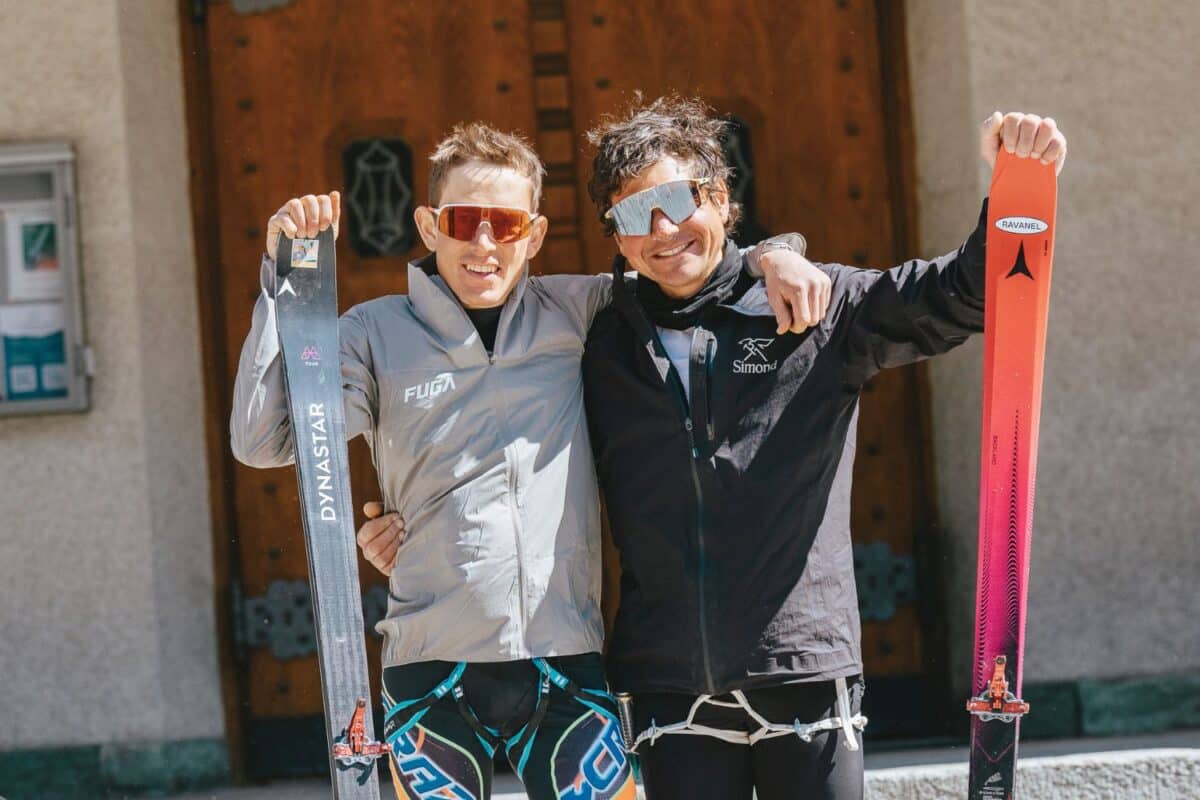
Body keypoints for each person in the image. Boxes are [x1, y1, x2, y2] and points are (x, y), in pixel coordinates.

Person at [230, 121, 828, 800]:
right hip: (431, 667)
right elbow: (265, 441)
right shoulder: (372, 333)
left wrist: (776, 254)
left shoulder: (578, 310)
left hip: (565, 661)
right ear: (429, 226)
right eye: (464, 221)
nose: (484, 244)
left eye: (507, 225)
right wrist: (283, 287)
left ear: (535, 235)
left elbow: (691, 270)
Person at [570, 98, 1066, 800]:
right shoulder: (596, 338)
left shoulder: (813, 306)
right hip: (668, 684)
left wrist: (1016, 185)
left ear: (721, 199)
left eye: (677, 201)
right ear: (614, 236)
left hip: (802, 666)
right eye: (631, 214)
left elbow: (961, 297)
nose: (661, 230)